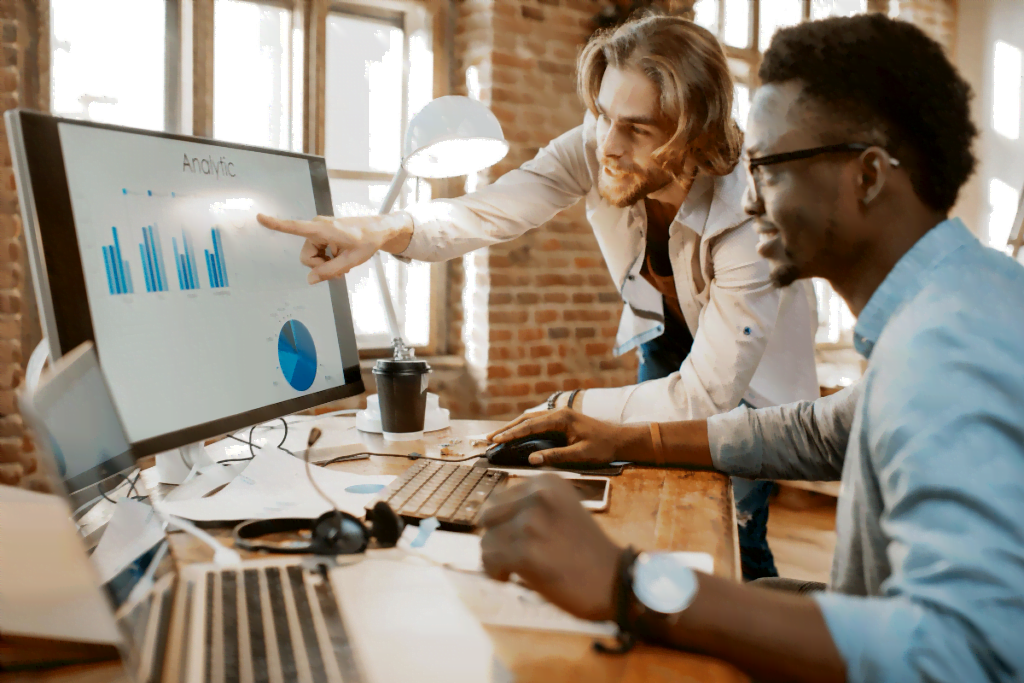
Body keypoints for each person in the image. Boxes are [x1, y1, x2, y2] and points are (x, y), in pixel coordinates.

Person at [478, 14, 1024, 683]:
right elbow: (826, 431)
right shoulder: (958, 301)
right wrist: (625, 436)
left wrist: (627, 581)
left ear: (869, 177)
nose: (749, 200)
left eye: (766, 166)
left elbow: (967, 653)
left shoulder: (948, 347)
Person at [258, 14, 820, 580]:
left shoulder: (750, 209)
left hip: (747, 378)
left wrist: (564, 407)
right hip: (667, 339)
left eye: (638, 129)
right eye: (603, 115)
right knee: (654, 492)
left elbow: (707, 396)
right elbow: (492, 209)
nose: (608, 145)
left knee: (732, 519)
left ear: (693, 130)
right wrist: (378, 231)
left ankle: (747, 620)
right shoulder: (598, 141)